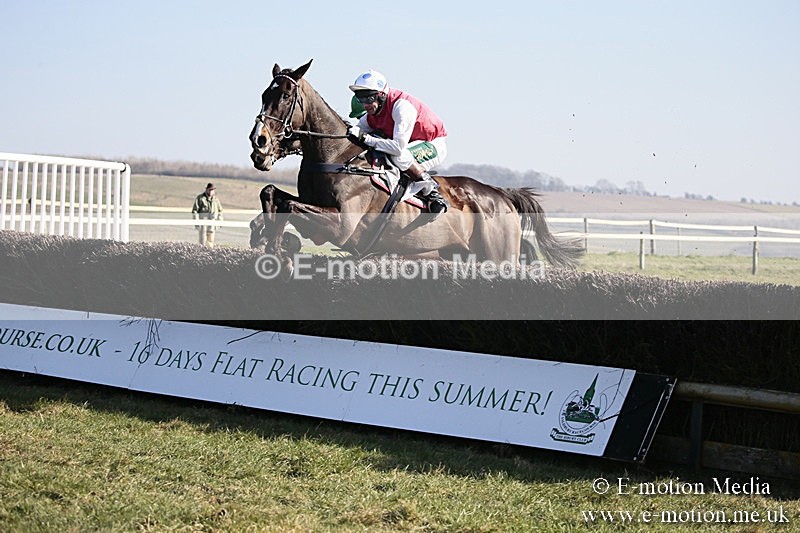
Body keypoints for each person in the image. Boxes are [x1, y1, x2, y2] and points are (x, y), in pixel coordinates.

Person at [347, 70, 449, 215]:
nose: (365, 105)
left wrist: (366, 138)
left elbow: (397, 148)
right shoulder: (371, 114)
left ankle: (431, 191)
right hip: (408, 144)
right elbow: (353, 133)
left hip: (432, 144)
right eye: (360, 99)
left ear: (381, 95)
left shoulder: (401, 107)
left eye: (368, 99)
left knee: (397, 155)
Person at [191, 183, 223, 247]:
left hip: (212, 223)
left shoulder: (216, 199)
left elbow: (220, 211)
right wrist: (196, 222)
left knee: (210, 241)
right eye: (210, 190)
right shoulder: (200, 198)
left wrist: (220, 222)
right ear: (206, 189)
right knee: (202, 242)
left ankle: (209, 254)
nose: (211, 191)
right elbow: (195, 211)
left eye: (212, 190)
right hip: (203, 224)